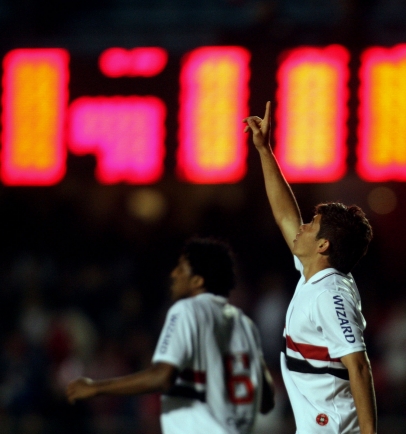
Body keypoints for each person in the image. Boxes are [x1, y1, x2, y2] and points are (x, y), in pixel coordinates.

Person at [243, 102, 377, 434]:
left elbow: (359, 367)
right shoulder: (316, 274)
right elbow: (285, 215)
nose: (301, 227)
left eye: (311, 226)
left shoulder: (330, 295)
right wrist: (264, 150)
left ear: (323, 245)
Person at [65, 237, 275, 434]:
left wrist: (96, 388)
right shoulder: (244, 323)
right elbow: (266, 399)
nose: (174, 274)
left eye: (181, 268)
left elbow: (162, 377)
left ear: (197, 280)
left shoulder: (187, 310)